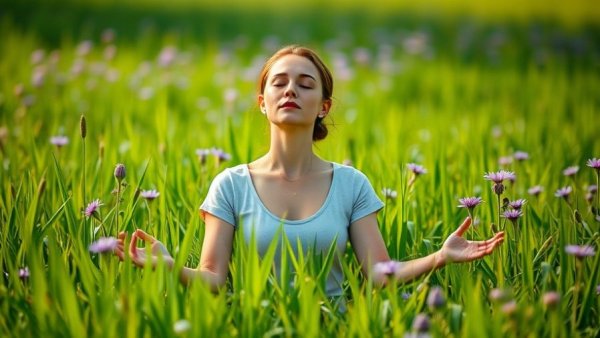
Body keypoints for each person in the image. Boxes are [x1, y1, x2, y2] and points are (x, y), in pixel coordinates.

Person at [115, 45, 504, 298]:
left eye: (305, 85)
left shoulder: (351, 184)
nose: (290, 91)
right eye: (279, 83)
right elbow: (213, 278)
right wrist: (169, 266)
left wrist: (440, 255)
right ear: (263, 102)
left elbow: (379, 274)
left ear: (324, 106)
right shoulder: (230, 185)